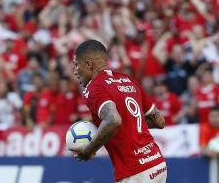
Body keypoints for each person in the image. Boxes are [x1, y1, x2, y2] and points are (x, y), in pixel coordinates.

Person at [71, 40, 167, 183]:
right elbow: (159, 121)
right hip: (156, 163)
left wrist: (89, 150)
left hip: (135, 171)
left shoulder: (94, 88)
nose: (75, 71)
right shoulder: (128, 80)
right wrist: (130, 125)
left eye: (76, 65)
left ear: (89, 65)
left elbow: (113, 120)